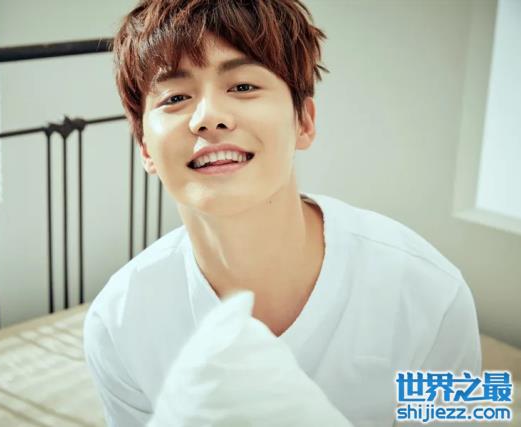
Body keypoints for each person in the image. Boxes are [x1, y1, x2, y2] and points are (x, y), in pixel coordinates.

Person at [83, 1, 482, 426]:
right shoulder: (119, 323)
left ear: (304, 122)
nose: (209, 117)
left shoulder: (427, 293)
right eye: (176, 97)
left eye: (243, 86)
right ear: (145, 147)